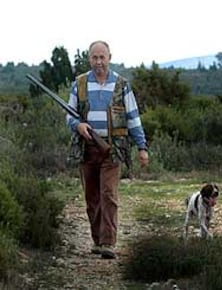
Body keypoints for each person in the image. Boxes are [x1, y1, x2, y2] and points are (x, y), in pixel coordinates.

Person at [66, 40, 149, 259]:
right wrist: (78, 125)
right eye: (94, 57)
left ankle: (108, 242)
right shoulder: (79, 84)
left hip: (113, 150)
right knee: (91, 197)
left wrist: (142, 147)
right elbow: (70, 115)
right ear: (89, 59)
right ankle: (97, 240)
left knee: (109, 194)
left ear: (109, 57)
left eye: (102, 57)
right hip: (87, 149)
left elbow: (133, 117)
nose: (99, 62)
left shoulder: (121, 84)